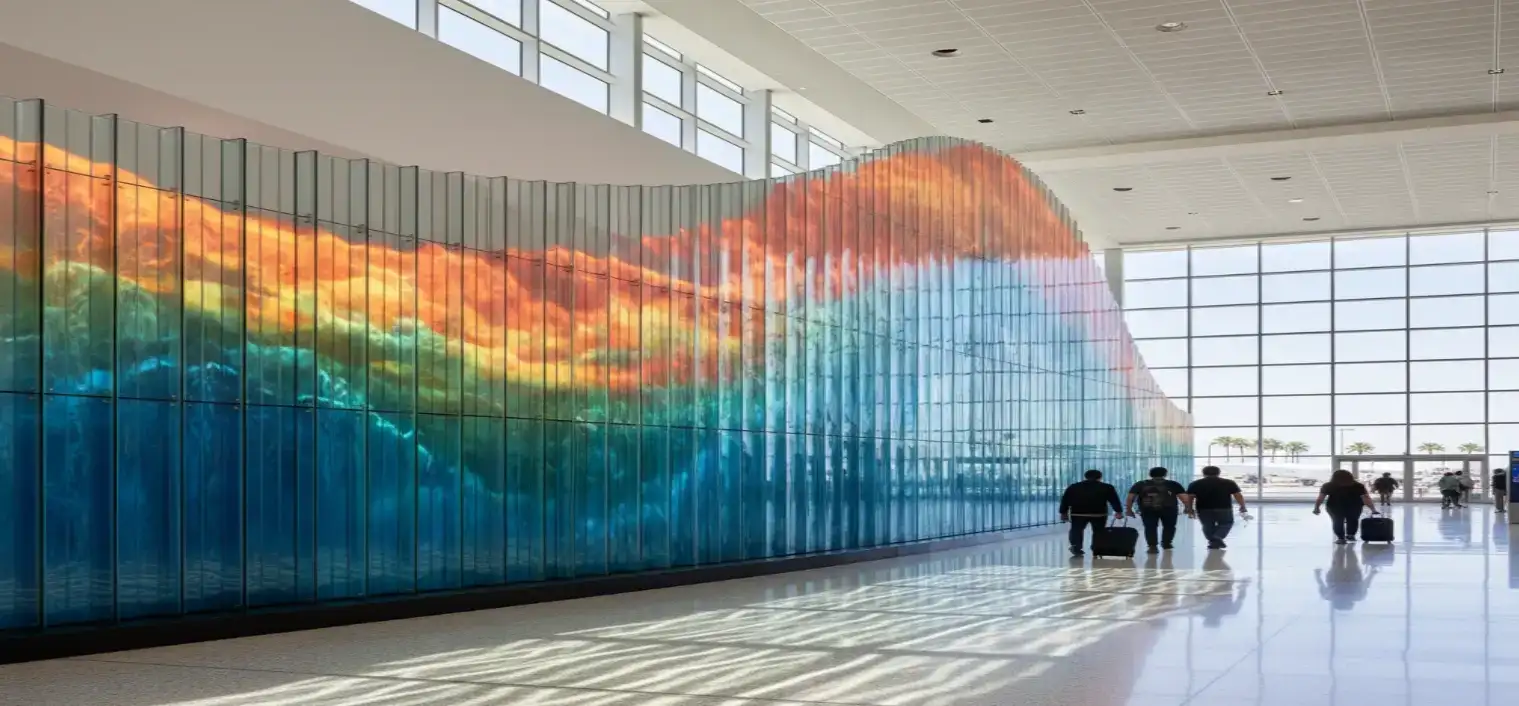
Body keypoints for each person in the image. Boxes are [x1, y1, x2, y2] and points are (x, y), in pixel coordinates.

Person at [1059, 469, 1123, 557]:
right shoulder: (1107, 487)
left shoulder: (1074, 487)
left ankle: (1076, 547)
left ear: (1085, 476)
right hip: (1099, 513)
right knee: (1099, 531)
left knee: (1076, 530)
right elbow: (1114, 500)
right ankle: (1097, 548)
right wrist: (1118, 511)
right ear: (1100, 477)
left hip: (1078, 513)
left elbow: (1065, 500)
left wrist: (1063, 512)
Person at [1126, 466, 1190, 553]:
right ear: (1165, 474)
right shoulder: (1173, 484)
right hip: (1169, 510)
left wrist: (1129, 509)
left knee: (1150, 527)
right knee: (1169, 526)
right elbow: (1184, 498)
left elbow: (1130, 497)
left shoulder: (1141, 484)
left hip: (1147, 510)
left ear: (1150, 474)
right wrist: (1187, 507)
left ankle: (1152, 546)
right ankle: (1167, 543)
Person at [1186, 466, 1248, 550]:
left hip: (1203, 508)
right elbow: (1238, 495)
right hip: (1224, 508)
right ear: (1218, 473)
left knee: (1207, 525)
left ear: (1203, 473)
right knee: (1226, 523)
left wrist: (1190, 509)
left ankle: (1213, 541)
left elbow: (1190, 497)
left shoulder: (1195, 483)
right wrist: (1242, 506)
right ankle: (1217, 537)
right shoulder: (1229, 482)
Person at [1313, 469, 1378, 544]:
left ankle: (1341, 538)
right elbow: (1366, 498)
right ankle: (1351, 535)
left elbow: (1321, 498)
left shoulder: (1328, 485)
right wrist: (1373, 509)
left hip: (1334, 507)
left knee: (1337, 521)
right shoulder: (1358, 485)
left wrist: (1316, 508)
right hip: (1354, 506)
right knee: (1353, 520)